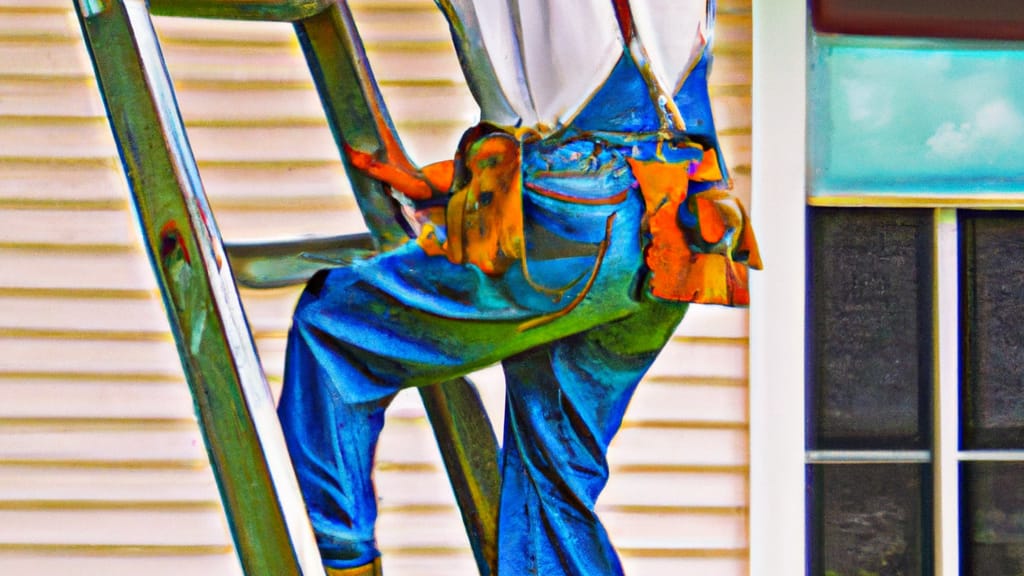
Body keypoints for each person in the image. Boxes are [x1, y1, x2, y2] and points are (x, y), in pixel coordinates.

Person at [277, 1, 760, 574]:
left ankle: (342, 560)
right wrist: (466, 177)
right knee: (551, 500)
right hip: (677, 231)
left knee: (333, 333)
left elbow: (573, 129)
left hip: (582, 221)